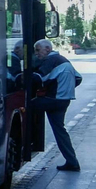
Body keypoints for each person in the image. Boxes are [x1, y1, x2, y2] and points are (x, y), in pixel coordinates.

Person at [31, 39, 81, 172]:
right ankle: (72, 161)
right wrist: (66, 89)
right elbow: (78, 78)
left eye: (37, 50)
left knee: (27, 106)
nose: (36, 53)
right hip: (64, 100)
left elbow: (38, 78)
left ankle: (26, 143)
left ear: (47, 49)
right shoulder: (63, 60)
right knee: (60, 131)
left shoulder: (51, 61)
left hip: (52, 100)